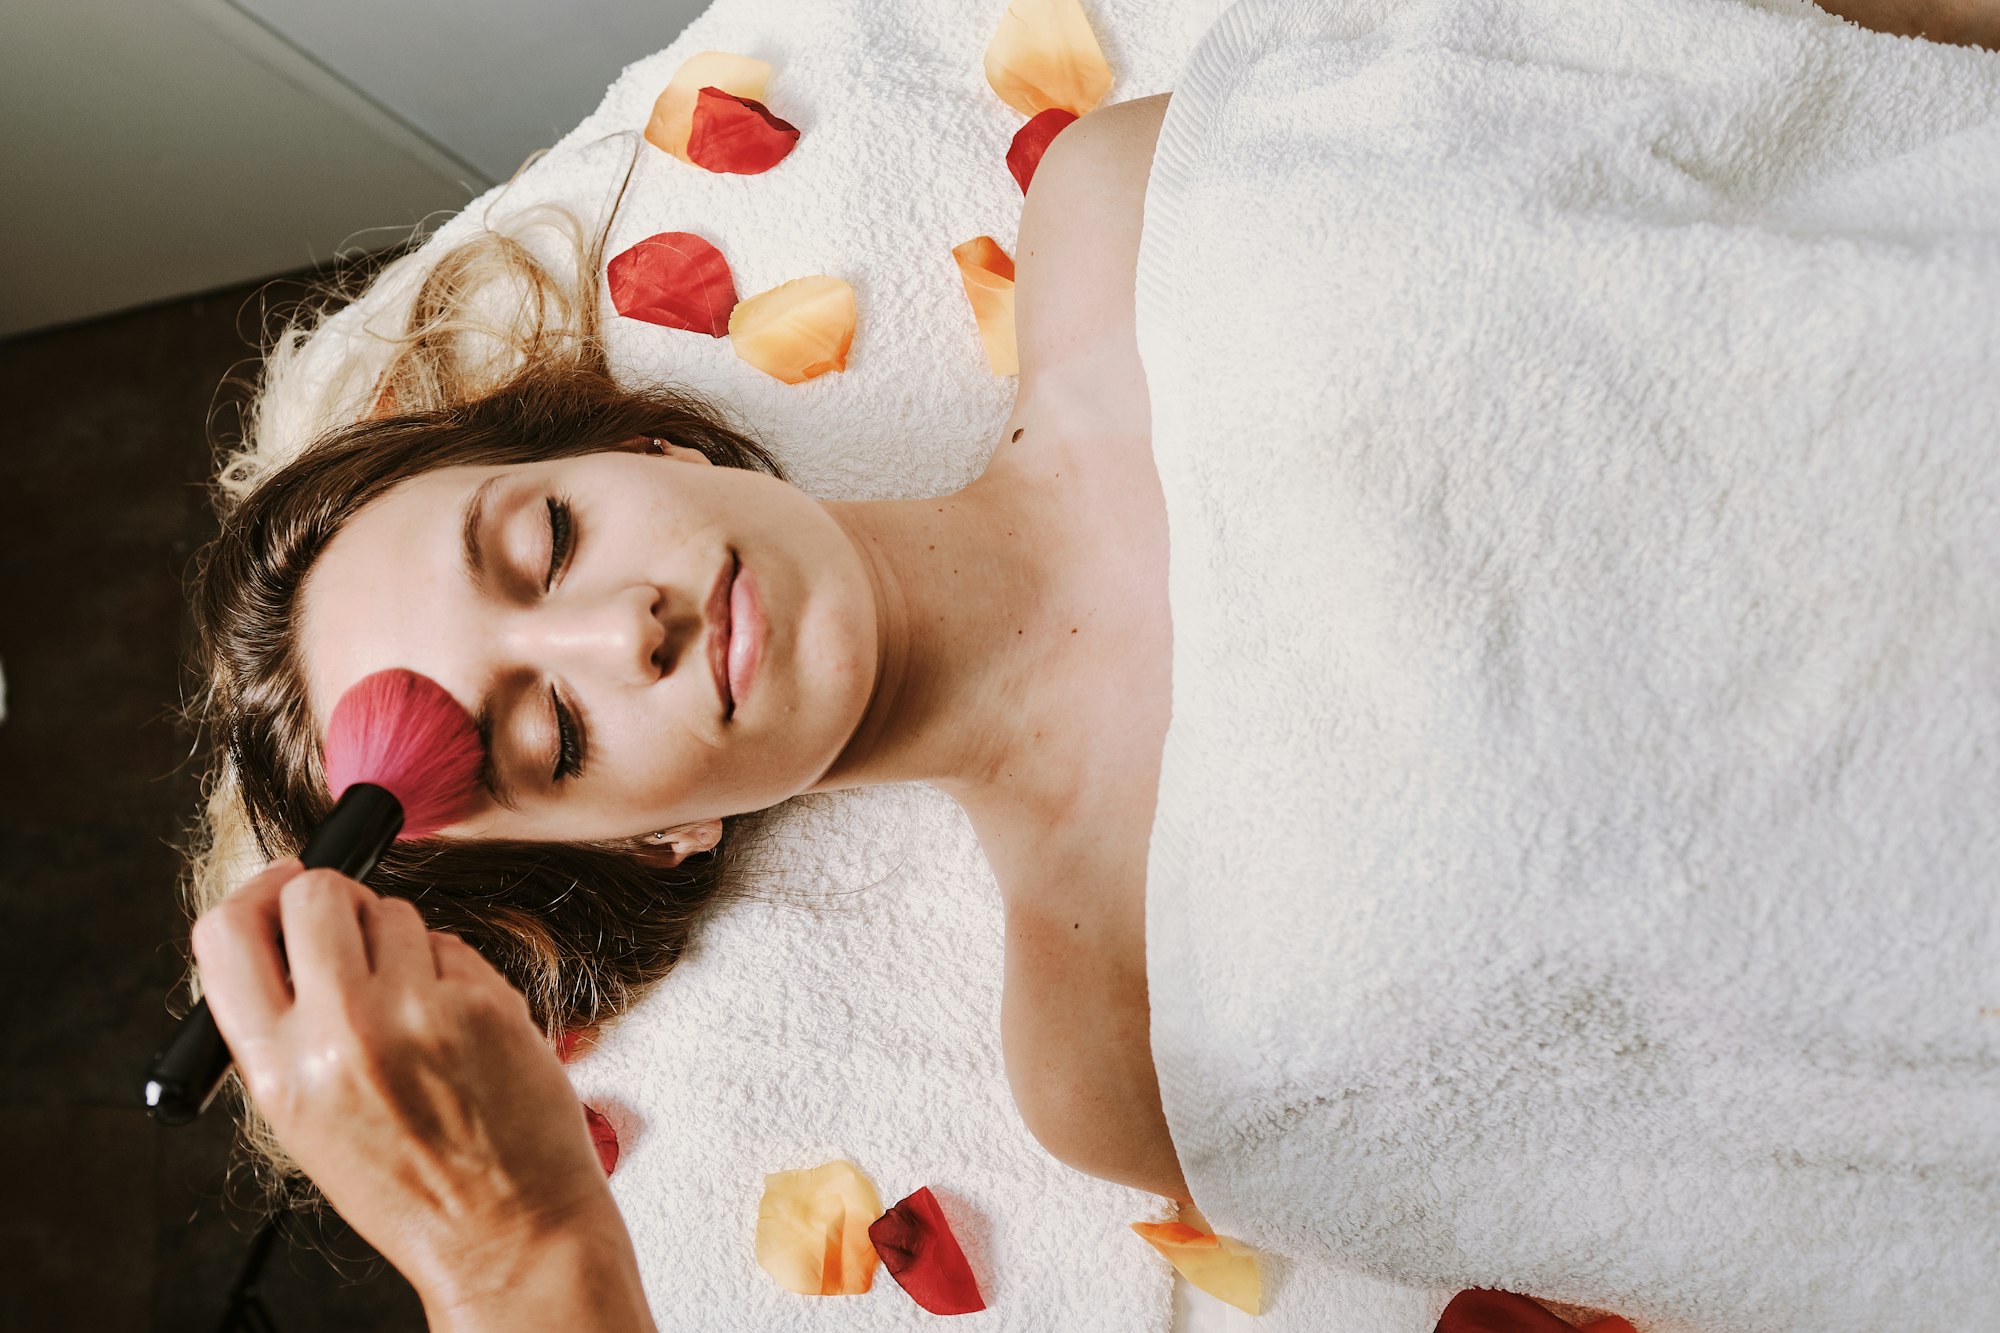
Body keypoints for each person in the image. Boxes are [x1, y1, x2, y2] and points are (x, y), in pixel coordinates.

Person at [184, 0, 2000, 1326]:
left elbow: (1797, 79)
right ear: (654, 839)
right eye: (550, 732)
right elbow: (1797, 1190)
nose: (618, 631)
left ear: (645, 447)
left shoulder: (1127, 207)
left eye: (546, 544)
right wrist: (520, 1268)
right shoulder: (1111, 1055)